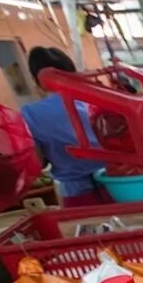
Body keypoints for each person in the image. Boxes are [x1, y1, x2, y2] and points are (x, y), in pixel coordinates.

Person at [21, 47, 107, 207]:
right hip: (120, 184)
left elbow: (37, 162)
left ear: (37, 80)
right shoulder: (100, 99)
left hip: (77, 194)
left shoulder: (30, 114)